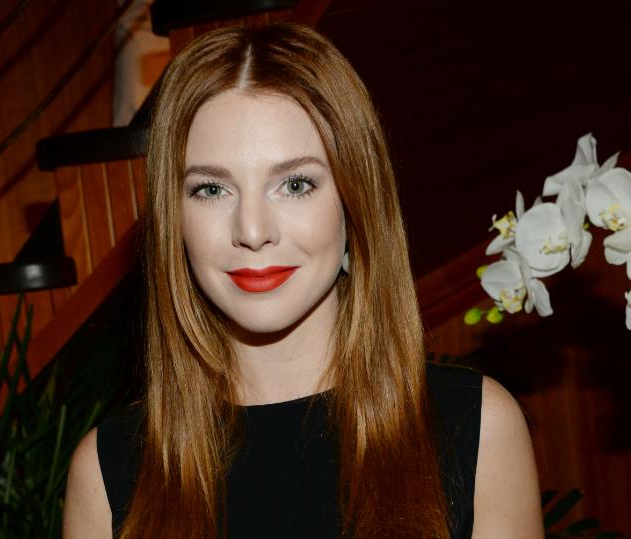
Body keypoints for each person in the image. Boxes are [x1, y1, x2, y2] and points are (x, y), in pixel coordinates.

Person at [63, 23, 543, 538]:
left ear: (354, 203)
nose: (252, 231)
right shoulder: (107, 472)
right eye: (211, 189)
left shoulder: (476, 427)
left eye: (294, 184)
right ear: (172, 219)